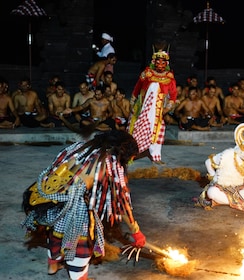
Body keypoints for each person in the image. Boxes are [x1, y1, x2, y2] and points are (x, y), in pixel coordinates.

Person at [21, 130, 146, 280]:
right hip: (74, 209)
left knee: (55, 234)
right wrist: (136, 232)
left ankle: (52, 266)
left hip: (52, 203)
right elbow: (121, 203)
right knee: (81, 248)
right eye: (131, 158)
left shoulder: (78, 148)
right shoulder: (110, 164)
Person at [127, 47, 177, 164]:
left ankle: (155, 156)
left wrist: (167, 108)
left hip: (158, 112)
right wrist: (132, 102)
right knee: (137, 130)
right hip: (143, 109)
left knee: (158, 132)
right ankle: (132, 154)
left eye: (163, 62)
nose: (160, 64)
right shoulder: (147, 73)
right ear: (154, 62)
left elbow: (173, 95)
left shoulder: (169, 77)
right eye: (158, 61)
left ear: (167, 63)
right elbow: (137, 88)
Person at [198, 123, 244, 211]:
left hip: (236, 189)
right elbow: (208, 162)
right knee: (211, 192)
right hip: (220, 187)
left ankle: (227, 201)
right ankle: (237, 201)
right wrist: (213, 176)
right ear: (243, 152)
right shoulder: (227, 155)